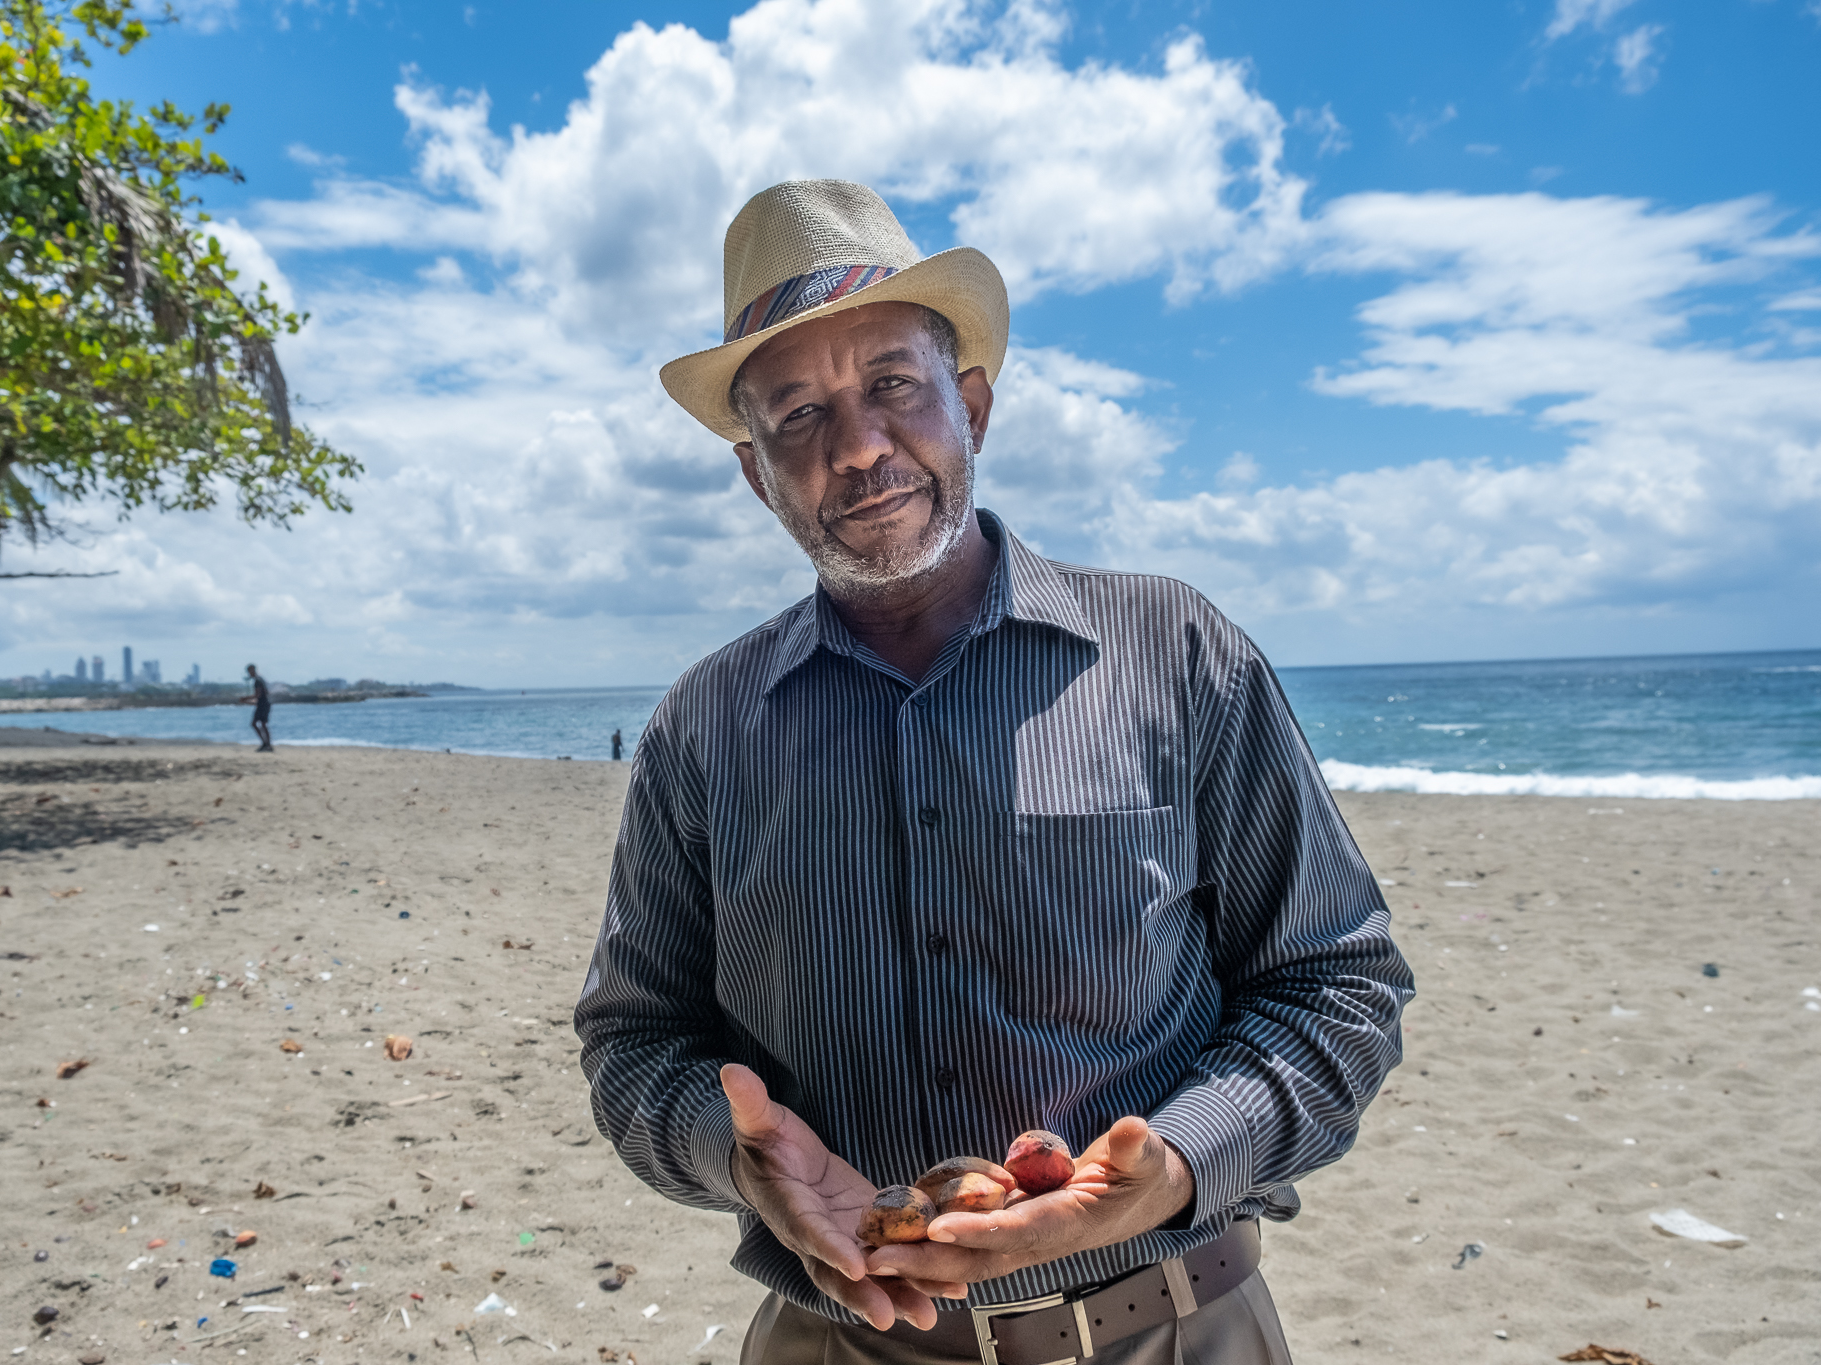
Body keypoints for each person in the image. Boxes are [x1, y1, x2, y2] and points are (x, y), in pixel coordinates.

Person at [574, 181, 1414, 1365]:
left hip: (1171, 1329)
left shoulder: (1175, 654)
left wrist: (1169, 1166)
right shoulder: (702, 729)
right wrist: (735, 1152)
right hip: (841, 1343)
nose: (858, 448)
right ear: (757, 473)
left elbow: (1334, 984)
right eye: (799, 416)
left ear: (970, 404)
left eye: (891, 386)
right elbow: (635, 1043)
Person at [240, 664, 273, 752]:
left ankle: (266, 744)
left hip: (263, 705)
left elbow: (258, 695)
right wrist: (247, 701)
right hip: (263, 704)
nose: (249, 673)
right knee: (261, 724)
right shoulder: (260, 679)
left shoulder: (258, 681)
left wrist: (245, 698)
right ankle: (266, 744)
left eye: (250, 671)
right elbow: (262, 695)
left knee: (258, 724)